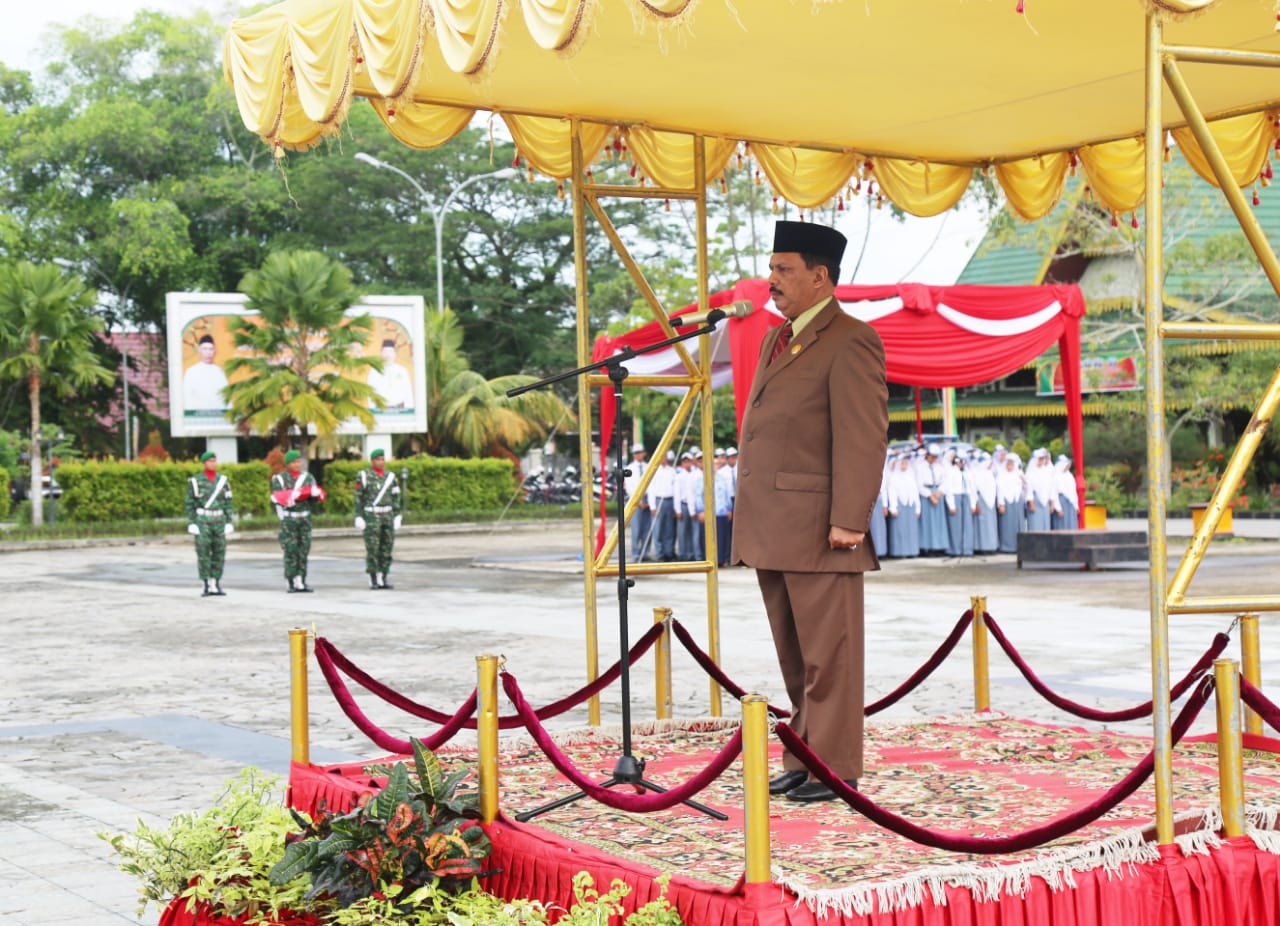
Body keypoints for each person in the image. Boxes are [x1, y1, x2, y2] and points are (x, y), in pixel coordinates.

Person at [731, 220, 889, 803]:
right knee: (796, 654)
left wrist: (851, 517)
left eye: (783, 269)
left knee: (831, 655)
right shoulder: (781, 337)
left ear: (819, 277)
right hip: (776, 526)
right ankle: (805, 751)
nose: (770, 280)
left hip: (824, 528)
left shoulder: (851, 338)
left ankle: (837, 764)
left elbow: (863, 436)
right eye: (772, 268)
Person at [272, 449, 323, 593]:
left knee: (304, 549)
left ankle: (301, 580)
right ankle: (290, 581)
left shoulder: (308, 478)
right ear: (287, 464)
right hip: (289, 519)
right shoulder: (280, 479)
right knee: (290, 550)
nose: (297, 464)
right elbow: (277, 498)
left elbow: (313, 499)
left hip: (304, 518)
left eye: (298, 461)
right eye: (294, 462)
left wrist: (315, 494)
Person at [184, 450, 234, 596]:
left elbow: (228, 501)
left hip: (219, 519)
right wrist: (192, 522)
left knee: (219, 552)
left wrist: (228, 521)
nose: (213, 463)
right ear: (204, 463)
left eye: (214, 460)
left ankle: (216, 583)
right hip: (203, 520)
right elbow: (190, 502)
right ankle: (206, 583)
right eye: (210, 461)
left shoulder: (223, 480)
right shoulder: (195, 481)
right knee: (204, 552)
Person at [354, 448, 403, 589]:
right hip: (371, 516)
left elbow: (395, 497)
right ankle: (373, 578)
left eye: (382, 459)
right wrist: (358, 516)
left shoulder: (391, 477)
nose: (380, 462)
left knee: (386, 548)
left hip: (387, 515)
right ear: (372, 461)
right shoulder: (363, 475)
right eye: (377, 459)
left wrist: (397, 515)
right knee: (373, 549)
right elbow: (358, 498)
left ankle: (384, 576)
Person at [183, 334, 230, 411]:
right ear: (199, 351)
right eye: (205, 349)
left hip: (217, 416)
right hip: (197, 416)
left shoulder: (219, 372)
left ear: (214, 351)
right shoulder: (191, 372)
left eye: (211, 349)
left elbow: (226, 397)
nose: (208, 352)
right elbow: (186, 397)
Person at [886, 453, 920, 558]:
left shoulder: (911, 476)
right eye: (902, 464)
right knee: (900, 530)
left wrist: (918, 508)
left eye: (906, 463)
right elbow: (892, 494)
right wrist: (893, 508)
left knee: (911, 530)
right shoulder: (894, 477)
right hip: (899, 506)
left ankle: (912, 551)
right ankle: (900, 552)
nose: (904, 466)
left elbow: (915, 493)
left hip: (910, 506)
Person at [624, 442, 653, 562]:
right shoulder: (629, 468)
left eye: (640, 452)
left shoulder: (649, 466)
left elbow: (652, 484)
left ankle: (645, 553)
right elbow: (629, 487)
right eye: (636, 453)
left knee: (647, 529)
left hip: (648, 499)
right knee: (636, 529)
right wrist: (638, 501)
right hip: (635, 501)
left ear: (644, 453)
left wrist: (649, 502)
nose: (638, 455)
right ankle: (636, 553)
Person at [367, 339, 414, 410]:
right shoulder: (374, 371)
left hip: (400, 409)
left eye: (390, 351)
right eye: (385, 351)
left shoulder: (402, 370)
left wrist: (409, 410)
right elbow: (370, 393)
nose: (388, 355)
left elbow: (408, 393)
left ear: (395, 353)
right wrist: (373, 411)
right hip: (380, 410)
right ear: (381, 353)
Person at [647, 450, 678, 562]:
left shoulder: (672, 471)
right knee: (658, 529)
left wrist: (676, 507)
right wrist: (652, 506)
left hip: (670, 501)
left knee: (669, 529)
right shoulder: (654, 471)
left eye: (665, 457)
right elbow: (651, 489)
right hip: (658, 500)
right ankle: (660, 553)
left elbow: (676, 489)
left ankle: (669, 552)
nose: (663, 459)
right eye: (661, 457)